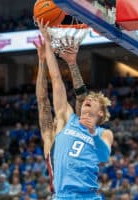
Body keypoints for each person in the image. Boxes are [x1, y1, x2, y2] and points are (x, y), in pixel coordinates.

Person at [37, 19, 114, 199]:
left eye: (93, 100)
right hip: (62, 196)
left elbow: (103, 156)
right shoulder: (68, 119)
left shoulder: (104, 133)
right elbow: (56, 80)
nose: (88, 99)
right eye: (88, 98)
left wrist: (93, 133)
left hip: (88, 196)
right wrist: (48, 42)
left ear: (101, 112)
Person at [33, 29, 88, 193]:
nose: (55, 117)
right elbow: (42, 101)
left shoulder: (74, 129)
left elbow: (79, 97)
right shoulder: (49, 139)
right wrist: (42, 61)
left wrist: (71, 63)